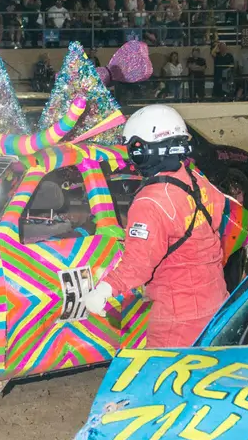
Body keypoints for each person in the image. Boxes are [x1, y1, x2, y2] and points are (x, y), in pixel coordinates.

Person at [83, 105, 231, 348]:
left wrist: (104, 290)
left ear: (143, 151)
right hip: (217, 303)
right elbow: (217, 212)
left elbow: (138, 265)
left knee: (163, 381)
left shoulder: (150, 202)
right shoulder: (197, 180)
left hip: (178, 318)